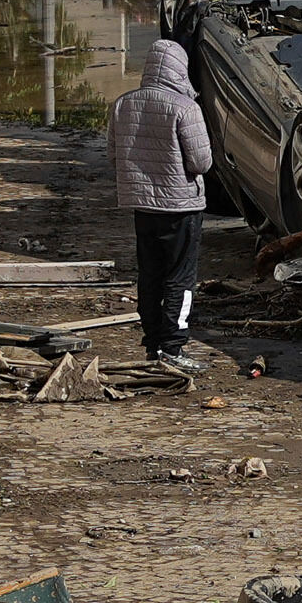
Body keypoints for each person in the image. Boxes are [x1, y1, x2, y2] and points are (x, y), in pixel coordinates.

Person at [106, 35, 213, 365]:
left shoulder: (123, 104)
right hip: (181, 207)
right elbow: (201, 163)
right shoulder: (185, 108)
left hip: (142, 207)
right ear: (180, 70)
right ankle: (174, 346)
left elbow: (114, 156)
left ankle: (153, 342)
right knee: (180, 278)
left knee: (149, 274)